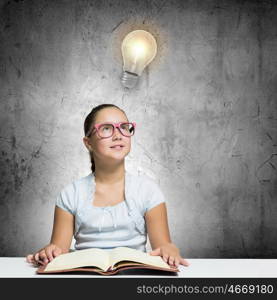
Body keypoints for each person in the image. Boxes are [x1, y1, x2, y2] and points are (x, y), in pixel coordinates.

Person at [26, 103, 189, 269]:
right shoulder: (71, 194)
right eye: (106, 128)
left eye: (124, 127)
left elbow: (163, 247)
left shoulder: (148, 192)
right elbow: (58, 250)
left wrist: (169, 249)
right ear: (88, 142)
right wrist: (49, 252)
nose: (118, 135)